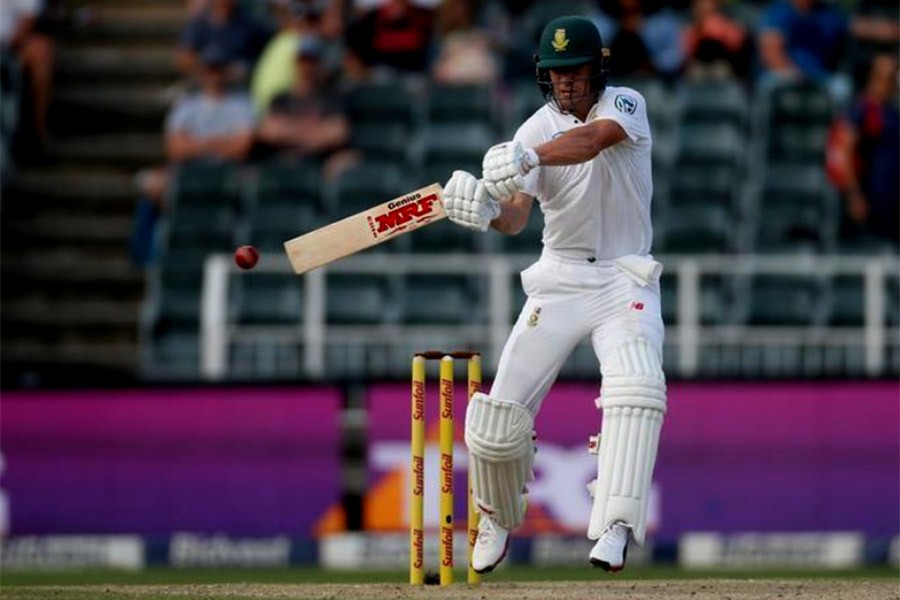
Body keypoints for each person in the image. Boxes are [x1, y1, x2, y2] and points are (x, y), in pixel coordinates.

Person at [441, 15, 666, 573]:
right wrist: (486, 210)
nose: (567, 83)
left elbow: (593, 141)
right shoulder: (530, 132)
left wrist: (530, 157)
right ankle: (494, 514)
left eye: (577, 71)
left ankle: (614, 523)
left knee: (637, 386)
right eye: (557, 73)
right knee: (496, 420)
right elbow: (516, 220)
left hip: (624, 277)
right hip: (560, 278)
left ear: (598, 70)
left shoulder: (625, 105)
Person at [130, 45, 256, 265]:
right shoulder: (186, 106)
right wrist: (220, 143)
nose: (214, 75)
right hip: (189, 171)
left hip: (228, 174)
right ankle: (147, 262)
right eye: (210, 69)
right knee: (151, 186)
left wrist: (197, 143)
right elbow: (176, 150)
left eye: (218, 69)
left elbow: (241, 148)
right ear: (201, 72)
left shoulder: (241, 104)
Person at [255, 36, 352, 178]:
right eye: (303, 61)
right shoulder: (281, 98)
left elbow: (338, 132)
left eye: (312, 61)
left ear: (320, 64)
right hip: (283, 161)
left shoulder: (332, 96)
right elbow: (268, 130)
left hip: (319, 161)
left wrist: (289, 130)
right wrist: (315, 131)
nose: (307, 66)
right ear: (295, 63)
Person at [832, 53, 899, 243]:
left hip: (892, 197)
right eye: (889, 74)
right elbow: (844, 153)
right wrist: (854, 196)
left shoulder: (892, 111)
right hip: (871, 198)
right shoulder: (860, 110)